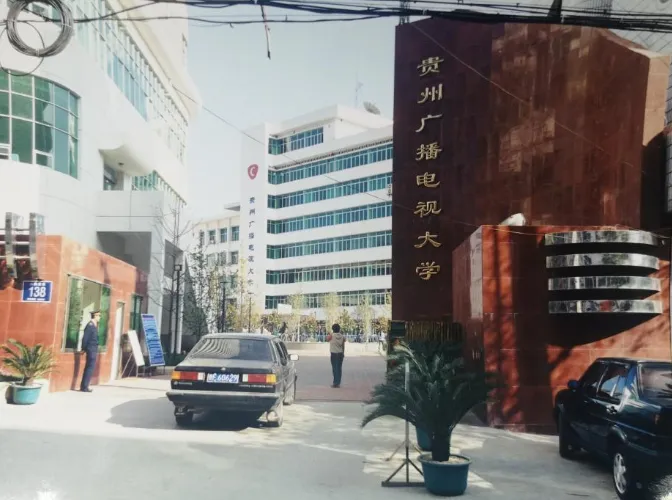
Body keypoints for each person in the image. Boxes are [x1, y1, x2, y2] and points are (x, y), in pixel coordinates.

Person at [79, 310, 100, 393]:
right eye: (99, 316)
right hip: (91, 349)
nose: (100, 317)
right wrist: (83, 348)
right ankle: (84, 387)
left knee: (89, 368)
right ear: (95, 316)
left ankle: (84, 386)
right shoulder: (90, 325)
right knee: (89, 368)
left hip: (93, 349)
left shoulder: (94, 325)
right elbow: (85, 338)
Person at [327, 323, 346, 388]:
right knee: (339, 368)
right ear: (339, 329)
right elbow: (343, 345)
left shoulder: (331, 336)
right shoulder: (342, 336)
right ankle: (338, 382)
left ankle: (335, 383)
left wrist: (330, 334)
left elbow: (327, 339)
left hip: (334, 354)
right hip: (340, 353)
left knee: (335, 368)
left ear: (333, 329)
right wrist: (343, 353)